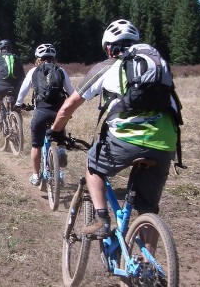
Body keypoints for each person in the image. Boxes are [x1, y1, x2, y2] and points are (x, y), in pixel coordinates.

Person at [48, 19, 179, 238]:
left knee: (92, 166)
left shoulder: (106, 67)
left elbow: (69, 105)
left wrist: (56, 130)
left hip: (125, 139)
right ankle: (146, 266)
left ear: (109, 47)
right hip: (165, 142)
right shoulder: (155, 68)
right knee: (147, 208)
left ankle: (102, 220)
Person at [14, 44, 74, 189]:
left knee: (36, 145)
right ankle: (61, 150)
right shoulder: (61, 70)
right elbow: (71, 92)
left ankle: (35, 176)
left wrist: (18, 104)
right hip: (58, 112)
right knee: (60, 134)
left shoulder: (34, 71)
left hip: (41, 111)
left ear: (38, 58)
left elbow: (23, 91)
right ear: (54, 58)